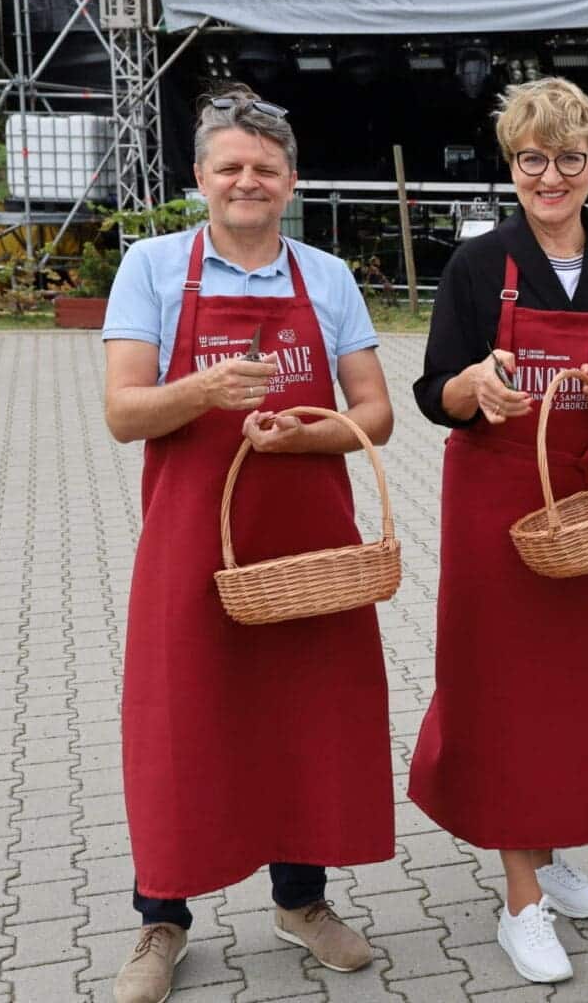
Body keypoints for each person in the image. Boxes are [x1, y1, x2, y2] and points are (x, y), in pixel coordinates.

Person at [101, 84, 397, 1003]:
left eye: (265, 168)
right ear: (200, 177)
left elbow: (376, 414)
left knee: (306, 717)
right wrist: (204, 391)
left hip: (308, 545)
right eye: (229, 166)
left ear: (291, 181)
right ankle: (162, 916)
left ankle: (301, 901)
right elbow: (123, 413)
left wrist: (305, 433)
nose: (247, 181)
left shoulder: (327, 277)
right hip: (191, 544)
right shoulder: (153, 267)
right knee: (181, 721)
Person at [408, 77, 588, 985]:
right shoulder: (479, 267)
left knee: (574, 692)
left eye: (568, 158)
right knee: (503, 692)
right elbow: (433, 391)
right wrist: (474, 387)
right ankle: (521, 901)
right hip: (497, 503)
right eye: (531, 159)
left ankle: (551, 853)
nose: (549, 176)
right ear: (511, 166)